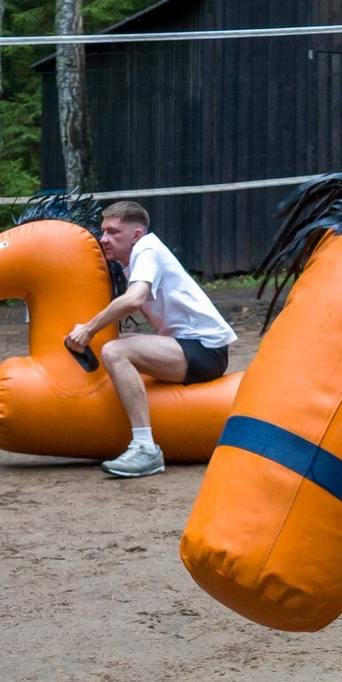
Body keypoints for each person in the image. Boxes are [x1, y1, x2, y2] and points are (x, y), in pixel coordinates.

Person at [62, 200, 237, 479]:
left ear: (136, 235)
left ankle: (145, 448)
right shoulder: (134, 257)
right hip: (191, 345)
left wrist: (89, 329)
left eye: (113, 232)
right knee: (120, 340)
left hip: (205, 350)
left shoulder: (146, 250)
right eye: (103, 231)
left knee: (115, 350)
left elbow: (134, 299)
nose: (103, 238)